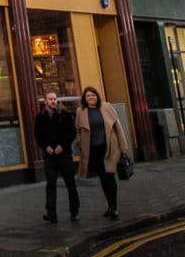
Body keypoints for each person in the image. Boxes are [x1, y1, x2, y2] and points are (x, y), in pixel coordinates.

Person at [72, 87, 131, 219]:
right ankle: (110, 206)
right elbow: (77, 130)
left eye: (93, 95)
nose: (91, 98)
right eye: (88, 96)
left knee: (109, 176)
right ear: (84, 98)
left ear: (97, 96)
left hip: (109, 148)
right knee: (103, 178)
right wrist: (79, 141)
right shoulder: (80, 111)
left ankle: (114, 206)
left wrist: (124, 148)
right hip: (93, 150)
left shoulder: (106, 107)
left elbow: (118, 128)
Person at [33, 91, 79, 222]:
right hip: (50, 156)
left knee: (70, 184)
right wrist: (45, 146)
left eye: (55, 99)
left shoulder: (65, 115)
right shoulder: (40, 117)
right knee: (50, 185)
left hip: (64, 155)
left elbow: (71, 133)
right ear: (45, 101)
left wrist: (62, 146)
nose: (53, 101)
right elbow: (38, 135)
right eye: (50, 99)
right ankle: (51, 213)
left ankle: (74, 211)